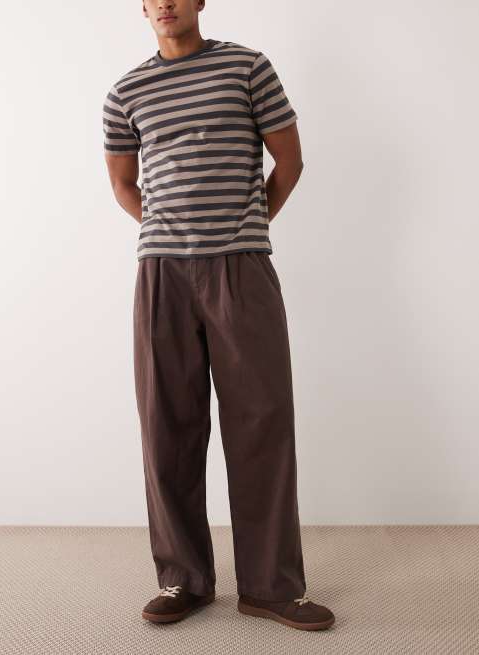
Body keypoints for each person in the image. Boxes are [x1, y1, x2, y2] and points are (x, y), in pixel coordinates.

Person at [102, 0, 335, 632]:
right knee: (167, 426)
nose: (166, 3)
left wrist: (246, 224)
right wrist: (165, 227)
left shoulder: (247, 68)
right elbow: (123, 182)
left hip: (241, 268)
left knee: (262, 420)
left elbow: (290, 161)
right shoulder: (126, 91)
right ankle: (183, 579)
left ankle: (271, 586)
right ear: (142, 7)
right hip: (163, 275)